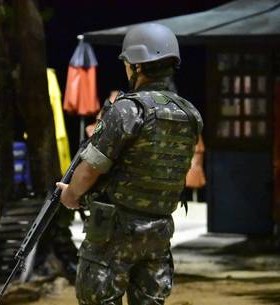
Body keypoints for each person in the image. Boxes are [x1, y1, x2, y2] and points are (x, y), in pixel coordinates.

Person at [57, 23, 203, 305]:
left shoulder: (128, 110)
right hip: (159, 232)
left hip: (115, 230)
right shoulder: (190, 114)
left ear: (137, 66)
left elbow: (89, 170)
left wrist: (70, 196)